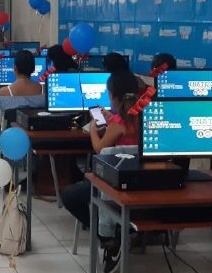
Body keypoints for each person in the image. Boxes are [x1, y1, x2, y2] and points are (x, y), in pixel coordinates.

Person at [60, 71, 141, 273]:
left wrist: (94, 130)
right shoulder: (142, 116)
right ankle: (122, 232)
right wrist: (111, 117)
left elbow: (100, 149)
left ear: (113, 96)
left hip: (115, 183)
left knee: (69, 196)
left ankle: (108, 238)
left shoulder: (117, 124)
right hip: (142, 180)